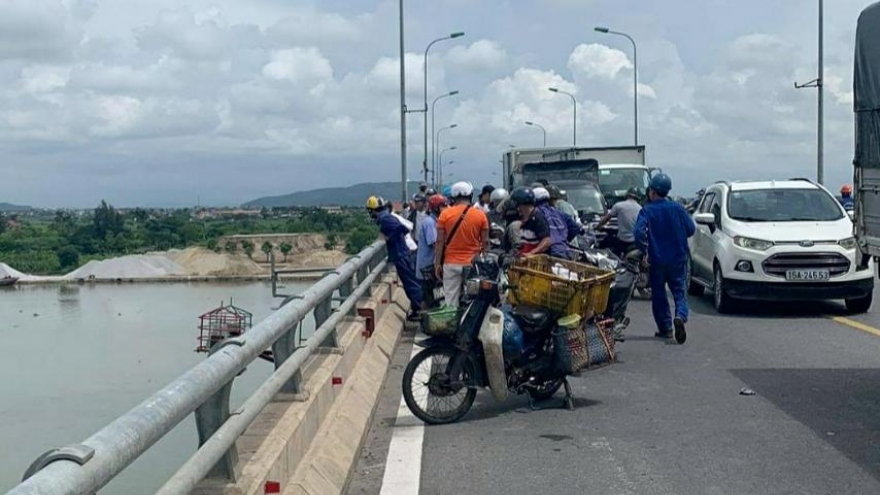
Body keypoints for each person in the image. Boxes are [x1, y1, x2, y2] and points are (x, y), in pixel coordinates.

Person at [633, 173, 695, 345]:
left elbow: (638, 233)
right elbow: (691, 229)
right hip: (678, 259)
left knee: (659, 295)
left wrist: (644, 250)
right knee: (679, 291)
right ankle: (680, 316)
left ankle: (666, 328)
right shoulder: (678, 208)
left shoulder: (647, 210)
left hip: (657, 260)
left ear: (652, 191)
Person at [434, 182, 489, 308]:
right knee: (474, 300)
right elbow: (485, 242)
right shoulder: (480, 215)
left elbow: (440, 242)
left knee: (451, 301)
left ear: (453, 197)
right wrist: (484, 260)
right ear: (470, 195)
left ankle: (453, 325)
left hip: (451, 264)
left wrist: (437, 264)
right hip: (472, 265)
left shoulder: (445, 215)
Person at [367, 196, 422, 320]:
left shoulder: (385, 218)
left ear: (373, 210)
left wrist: (388, 238)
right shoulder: (386, 216)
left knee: (410, 283)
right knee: (410, 282)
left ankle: (418, 310)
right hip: (401, 254)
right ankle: (417, 308)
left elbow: (402, 228)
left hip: (401, 254)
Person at [534, 187, 581, 259]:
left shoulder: (536, 213)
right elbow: (575, 228)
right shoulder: (560, 213)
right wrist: (562, 239)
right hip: (565, 253)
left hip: (547, 256)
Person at [417, 194, 446, 309]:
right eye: (442, 206)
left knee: (432, 294)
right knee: (430, 295)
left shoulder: (436, 221)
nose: (445, 208)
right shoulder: (430, 223)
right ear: (436, 208)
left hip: (431, 265)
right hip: (428, 267)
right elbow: (435, 243)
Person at [596, 187, 643, 257]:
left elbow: (606, 219)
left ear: (627, 196)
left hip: (622, 240)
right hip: (634, 242)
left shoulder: (619, 205)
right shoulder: (640, 208)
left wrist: (597, 227)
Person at [512, 187, 553, 257]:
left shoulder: (537, 218)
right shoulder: (525, 220)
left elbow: (547, 241)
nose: (517, 208)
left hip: (537, 262)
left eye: (517, 204)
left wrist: (532, 253)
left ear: (522, 204)